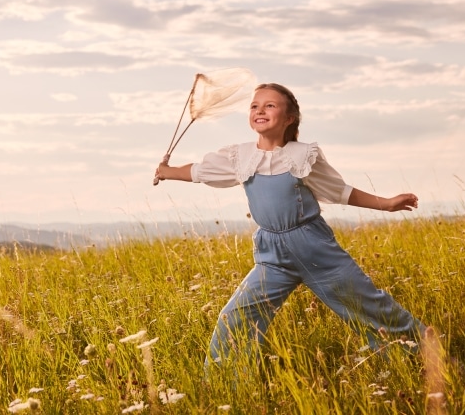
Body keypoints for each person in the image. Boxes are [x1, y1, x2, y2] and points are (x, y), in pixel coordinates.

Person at [155, 82, 425, 371]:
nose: (260, 110)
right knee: (235, 318)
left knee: (373, 310)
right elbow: (199, 170)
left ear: (289, 118)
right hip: (272, 256)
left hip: (315, 250)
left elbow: (339, 191)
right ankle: (224, 388)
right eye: (254, 105)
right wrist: (168, 172)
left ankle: (430, 361)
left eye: (270, 105)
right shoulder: (240, 156)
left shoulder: (303, 155)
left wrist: (385, 203)